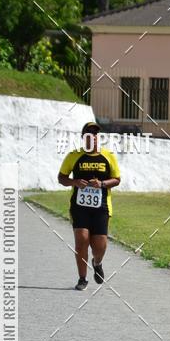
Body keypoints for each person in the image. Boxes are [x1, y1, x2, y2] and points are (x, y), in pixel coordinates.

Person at [58, 121, 121, 290]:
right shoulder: (74, 156)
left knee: (99, 247)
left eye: (94, 134)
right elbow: (61, 177)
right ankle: (82, 278)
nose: (92, 137)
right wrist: (75, 182)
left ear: (97, 138)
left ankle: (97, 262)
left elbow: (117, 179)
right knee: (81, 241)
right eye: (88, 134)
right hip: (79, 207)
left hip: (101, 207)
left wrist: (101, 184)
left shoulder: (108, 156)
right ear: (83, 137)